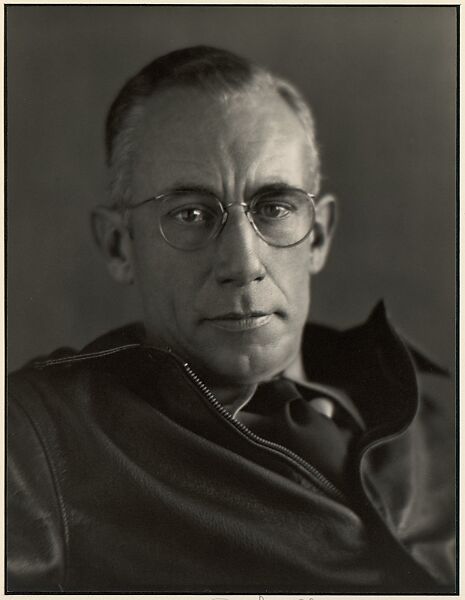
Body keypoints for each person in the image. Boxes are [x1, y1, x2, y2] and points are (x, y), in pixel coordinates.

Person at [7, 46, 455, 593]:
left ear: (318, 234)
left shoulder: (428, 416)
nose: (243, 265)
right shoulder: (36, 442)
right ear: (120, 246)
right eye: (190, 215)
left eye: (275, 207)